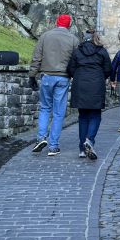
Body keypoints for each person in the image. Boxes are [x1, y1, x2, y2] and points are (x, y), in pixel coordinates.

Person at [29, 14, 79, 156]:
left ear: (56, 22)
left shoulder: (45, 36)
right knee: (58, 112)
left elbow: (36, 57)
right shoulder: (74, 39)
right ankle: (53, 146)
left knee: (45, 108)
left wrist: (32, 75)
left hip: (47, 76)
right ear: (69, 25)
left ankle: (41, 138)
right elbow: (76, 61)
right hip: (63, 78)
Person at [67, 31, 113, 160]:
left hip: (80, 85)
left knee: (83, 117)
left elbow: (71, 69)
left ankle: (82, 148)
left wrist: (78, 76)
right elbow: (108, 69)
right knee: (95, 115)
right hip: (96, 84)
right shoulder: (102, 51)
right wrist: (100, 77)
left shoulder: (77, 51)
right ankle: (90, 140)